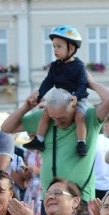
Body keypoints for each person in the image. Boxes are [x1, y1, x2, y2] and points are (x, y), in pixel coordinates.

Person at [1, 74, 109, 203]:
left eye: (62, 118)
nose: (57, 122)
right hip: (49, 199)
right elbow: (6, 127)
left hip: (80, 199)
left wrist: (89, 82)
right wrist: (26, 107)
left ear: (73, 106)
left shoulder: (88, 117)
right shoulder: (43, 120)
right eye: (53, 117)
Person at [23, 26, 90, 157]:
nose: (55, 50)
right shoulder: (55, 66)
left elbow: (83, 84)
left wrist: (77, 96)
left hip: (76, 97)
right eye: (54, 46)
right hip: (60, 97)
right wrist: (39, 95)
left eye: (59, 47)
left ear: (71, 48)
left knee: (80, 116)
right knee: (46, 113)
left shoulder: (79, 66)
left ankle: (81, 142)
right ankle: (39, 139)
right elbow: (48, 81)